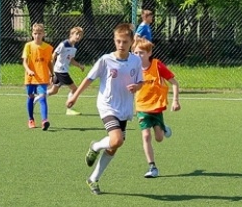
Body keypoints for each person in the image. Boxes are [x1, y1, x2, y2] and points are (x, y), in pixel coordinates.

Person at [65, 22, 143, 195]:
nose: (121, 45)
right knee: (116, 140)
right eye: (118, 41)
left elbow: (140, 81)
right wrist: (75, 95)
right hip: (107, 105)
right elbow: (89, 78)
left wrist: (137, 87)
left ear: (131, 42)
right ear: (114, 41)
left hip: (124, 108)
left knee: (114, 146)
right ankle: (95, 146)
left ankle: (93, 179)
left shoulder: (136, 61)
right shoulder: (106, 60)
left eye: (124, 42)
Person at [133, 38, 180, 179]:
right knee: (146, 135)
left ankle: (163, 128)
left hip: (156, 107)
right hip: (141, 107)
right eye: (135, 53)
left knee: (159, 138)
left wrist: (175, 101)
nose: (138, 56)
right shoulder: (132, 68)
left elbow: (174, 83)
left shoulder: (157, 65)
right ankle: (152, 167)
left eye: (141, 53)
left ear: (149, 53)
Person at [22, 22, 54, 130]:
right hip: (30, 77)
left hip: (42, 77)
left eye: (40, 33)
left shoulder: (48, 48)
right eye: (35, 33)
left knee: (42, 98)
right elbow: (25, 62)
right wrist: (29, 70)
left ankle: (45, 121)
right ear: (32, 34)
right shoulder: (28, 46)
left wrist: (52, 74)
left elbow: (49, 62)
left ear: (43, 34)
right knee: (30, 97)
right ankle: (31, 119)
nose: (37, 35)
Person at [50, 26, 84, 115]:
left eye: (80, 35)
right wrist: (52, 71)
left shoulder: (73, 47)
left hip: (61, 71)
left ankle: (36, 98)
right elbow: (53, 56)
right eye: (77, 34)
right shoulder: (64, 44)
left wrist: (79, 66)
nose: (78, 37)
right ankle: (69, 108)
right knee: (75, 89)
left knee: (53, 91)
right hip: (61, 71)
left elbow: (71, 60)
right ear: (71, 34)